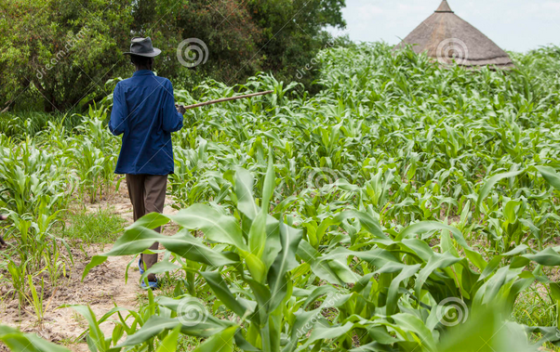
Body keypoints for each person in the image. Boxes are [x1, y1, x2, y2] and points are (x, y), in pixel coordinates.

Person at [109, 37, 185, 289]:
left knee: (140, 213)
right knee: (152, 214)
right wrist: (179, 113)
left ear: (132, 61)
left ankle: (148, 270)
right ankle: (148, 266)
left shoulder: (122, 88)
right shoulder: (164, 85)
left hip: (133, 161)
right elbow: (170, 124)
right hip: (157, 160)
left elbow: (117, 127)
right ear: (152, 59)